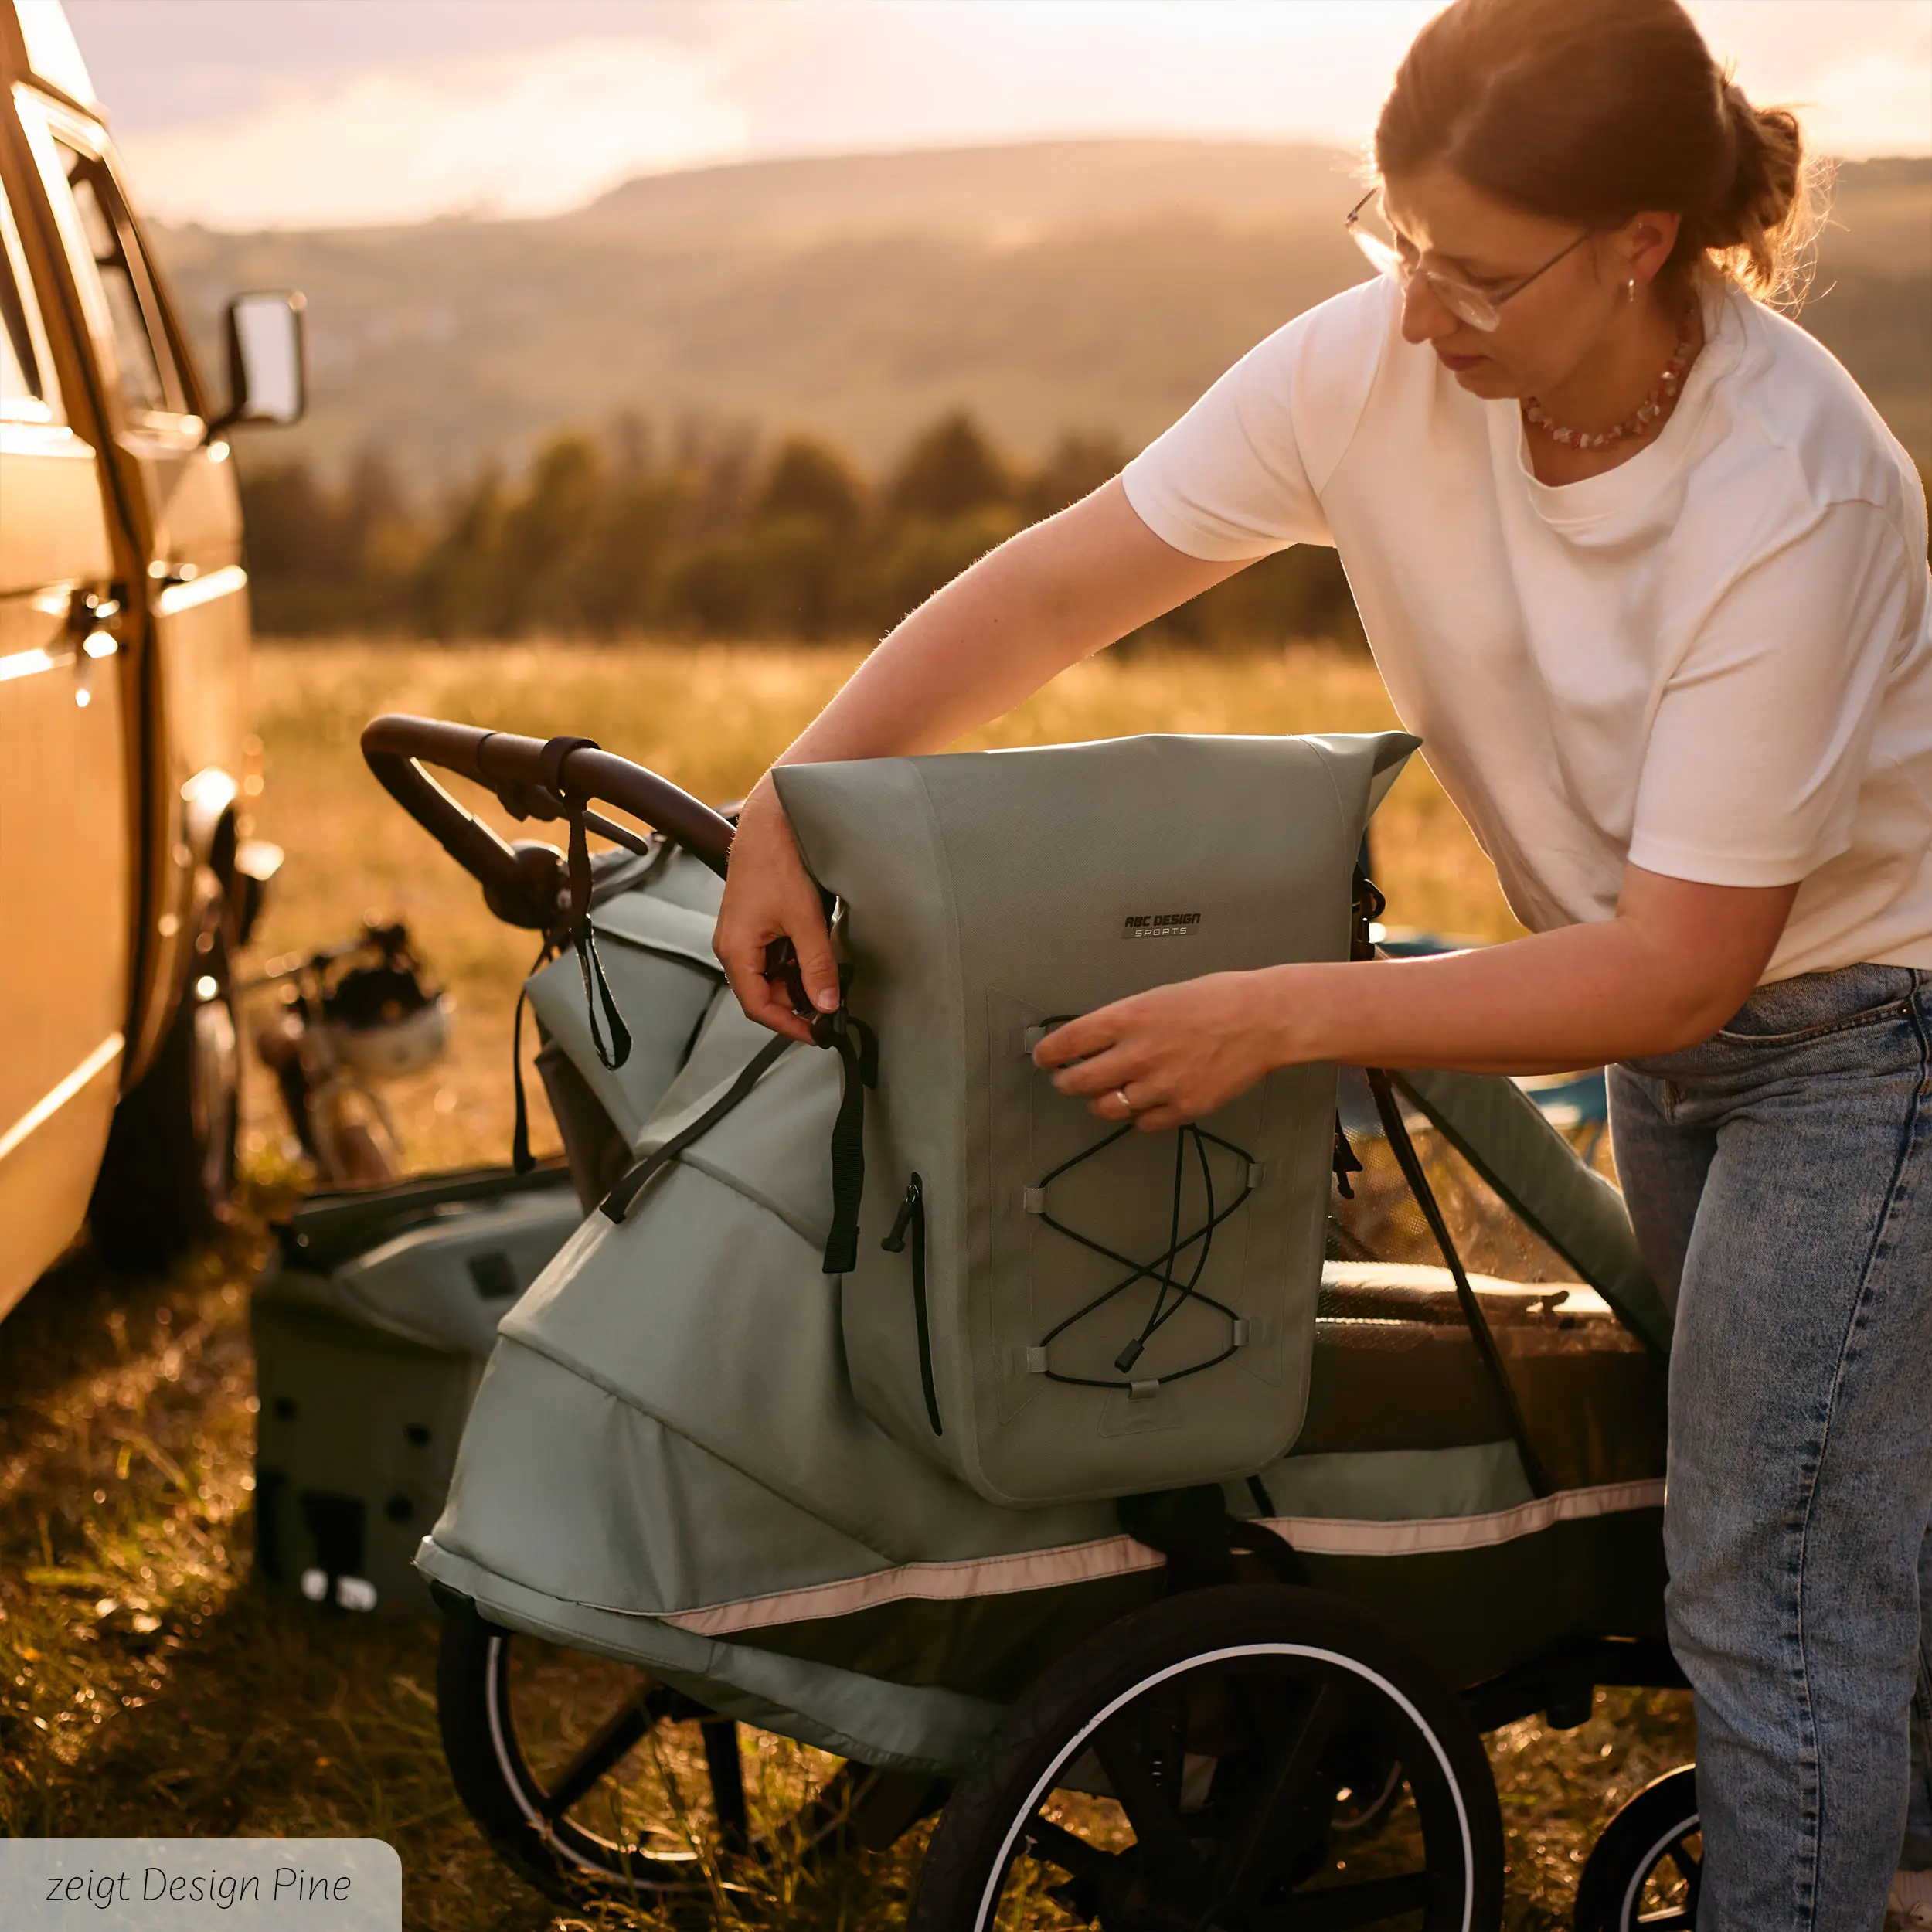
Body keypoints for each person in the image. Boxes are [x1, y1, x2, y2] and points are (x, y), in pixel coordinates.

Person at [713, 0, 1932, 1922]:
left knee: (1765, 1579)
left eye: (1473, 267)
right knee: (1838, 1504)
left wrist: (1282, 1012)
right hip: (1679, 1033)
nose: (1417, 303)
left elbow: (1679, 971)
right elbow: (1064, 576)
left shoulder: (1791, 489)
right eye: (1393, 231)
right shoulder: (1368, 363)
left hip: (1865, 1045)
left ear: (1637, 243)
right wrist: (798, 794)